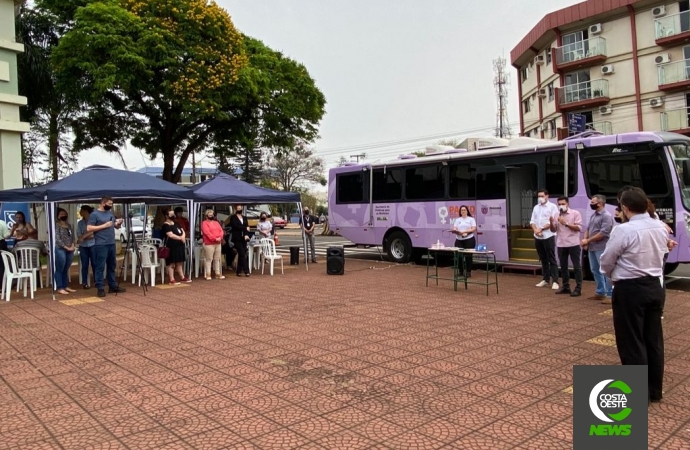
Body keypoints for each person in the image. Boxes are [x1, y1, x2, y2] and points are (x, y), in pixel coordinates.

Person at [599, 187, 668, 405]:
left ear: (625, 208)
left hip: (630, 288)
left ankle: (639, 394)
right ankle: (654, 390)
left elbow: (607, 259)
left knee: (631, 341)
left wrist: (610, 275)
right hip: (655, 286)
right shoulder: (660, 226)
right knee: (653, 339)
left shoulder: (624, 230)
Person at [87, 196, 127, 297]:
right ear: (103, 203)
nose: (111, 206)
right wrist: (103, 226)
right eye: (109, 204)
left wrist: (118, 223)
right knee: (100, 266)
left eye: (112, 204)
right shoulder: (95, 214)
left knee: (111, 265)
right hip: (101, 244)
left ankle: (112, 285)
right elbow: (89, 228)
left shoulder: (109, 213)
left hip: (111, 243)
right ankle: (100, 287)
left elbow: (114, 225)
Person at [583, 194, 614, 303]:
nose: (591, 204)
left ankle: (610, 295)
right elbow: (588, 229)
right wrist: (585, 240)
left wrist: (588, 240)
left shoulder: (606, 216)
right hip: (592, 247)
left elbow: (603, 233)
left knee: (605, 271)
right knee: (595, 270)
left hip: (602, 247)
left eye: (593, 202)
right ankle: (600, 292)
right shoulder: (594, 215)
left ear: (600, 203)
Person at [530, 189, 559, 290]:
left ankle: (555, 280)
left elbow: (553, 222)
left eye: (542, 196)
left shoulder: (552, 207)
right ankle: (546, 279)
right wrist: (536, 230)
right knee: (543, 258)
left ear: (547, 196)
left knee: (551, 258)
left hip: (548, 235)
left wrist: (541, 228)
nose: (540, 198)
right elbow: (532, 221)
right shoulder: (536, 208)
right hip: (538, 236)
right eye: (539, 196)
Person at [553, 197, 583, 297]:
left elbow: (578, 228)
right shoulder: (557, 214)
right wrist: (551, 223)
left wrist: (565, 223)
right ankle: (566, 286)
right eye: (559, 204)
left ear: (567, 204)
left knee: (576, 267)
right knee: (563, 267)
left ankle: (578, 288)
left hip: (573, 244)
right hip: (561, 244)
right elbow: (554, 230)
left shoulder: (575, 213)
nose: (561, 206)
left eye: (562, 203)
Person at [162, 208, 190, 284]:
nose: (173, 215)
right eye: (171, 214)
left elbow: (182, 231)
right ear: (166, 216)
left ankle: (182, 277)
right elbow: (170, 235)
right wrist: (180, 238)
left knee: (179, 262)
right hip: (171, 246)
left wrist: (183, 237)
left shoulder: (176, 223)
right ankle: (172, 279)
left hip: (179, 246)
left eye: (173, 214)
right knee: (172, 263)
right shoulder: (165, 225)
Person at [54, 208, 76, 295]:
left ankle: (65, 285)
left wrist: (73, 245)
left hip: (70, 248)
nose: (64, 216)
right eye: (61, 214)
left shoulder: (69, 225)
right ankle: (60, 287)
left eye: (65, 214)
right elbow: (57, 238)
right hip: (60, 248)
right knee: (60, 268)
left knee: (66, 268)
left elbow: (72, 236)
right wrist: (66, 247)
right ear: (58, 216)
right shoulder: (56, 225)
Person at [451, 205, 477, 277]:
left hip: (469, 239)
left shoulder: (471, 219)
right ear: (460, 212)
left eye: (464, 210)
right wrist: (455, 231)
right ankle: (461, 271)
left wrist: (465, 231)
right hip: (459, 240)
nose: (463, 211)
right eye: (461, 210)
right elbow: (455, 228)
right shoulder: (457, 220)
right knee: (459, 256)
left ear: (467, 211)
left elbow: (473, 228)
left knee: (468, 256)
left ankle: (468, 272)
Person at [200, 209, 225, 281]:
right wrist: (215, 238)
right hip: (209, 244)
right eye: (210, 215)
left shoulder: (216, 222)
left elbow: (221, 230)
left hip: (218, 243)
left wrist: (220, 237)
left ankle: (217, 273)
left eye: (212, 214)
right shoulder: (204, 223)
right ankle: (208, 274)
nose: (211, 216)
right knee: (209, 259)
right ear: (206, 215)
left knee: (217, 259)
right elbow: (207, 232)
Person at [77, 205, 96, 289]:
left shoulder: (93, 221)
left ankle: (97, 281)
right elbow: (78, 235)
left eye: (81, 210)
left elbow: (94, 233)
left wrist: (83, 237)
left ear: (85, 211)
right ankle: (84, 282)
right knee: (84, 265)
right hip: (83, 246)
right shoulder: (80, 223)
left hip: (93, 244)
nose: (80, 212)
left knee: (94, 264)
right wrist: (86, 236)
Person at [229, 205, 251, 277]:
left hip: (244, 238)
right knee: (242, 253)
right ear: (235, 209)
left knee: (243, 253)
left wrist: (246, 234)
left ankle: (238, 271)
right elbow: (235, 226)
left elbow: (247, 227)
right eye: (238, 208)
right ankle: (246, 271)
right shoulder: (233, 218)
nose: (239, 209)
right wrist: (245, 228)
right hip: (237, 238)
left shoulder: (244, 218)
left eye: (240, 208)